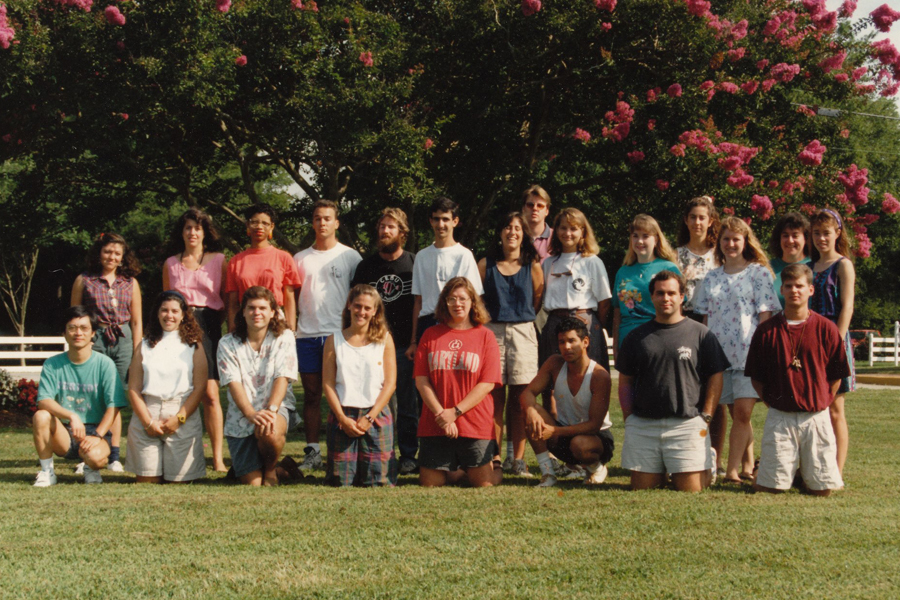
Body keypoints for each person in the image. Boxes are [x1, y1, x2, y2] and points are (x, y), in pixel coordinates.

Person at [617, 271, 729, 492]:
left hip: (687, 423)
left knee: (690, 489)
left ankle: (706, 466)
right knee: (643, 489)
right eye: (660, 293)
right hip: (645, 424)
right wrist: (629, 417)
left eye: (671, 293)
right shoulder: (636, 337)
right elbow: (625, 381)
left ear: (682, 297)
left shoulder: (702, 334)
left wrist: (705, 415)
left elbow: (715, 376)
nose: (665, 298)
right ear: (652, 296)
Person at [745, 264, 848, 495]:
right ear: (781, 289)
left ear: (811, 290)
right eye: (789, 286)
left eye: (800, 286)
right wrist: (774, 402)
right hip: (781, 416)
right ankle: (766, 470)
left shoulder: (826, 328)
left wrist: (822, 400)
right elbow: (757, 378)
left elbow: (836, 376)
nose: (794, 291)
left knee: (822, 491)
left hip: (816, 416)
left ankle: (803, 474)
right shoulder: (766, 331)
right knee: (769, 489)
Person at [693, 217, 780, 485]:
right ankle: (746, 465)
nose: (731, 244)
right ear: (719, 243)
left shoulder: (759, 273)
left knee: (742, 413)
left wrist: (762, 352)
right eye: (726, 239)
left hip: (748, 355)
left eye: (736, 239)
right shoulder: (711, 277)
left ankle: (730, 471)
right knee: (734, 413)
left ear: (745, 242)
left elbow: (765, 316)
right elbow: (705, 319)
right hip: (720, 357)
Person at [292, 199, 363, 473]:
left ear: (337, 223)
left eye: (327, 218)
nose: (322, 223)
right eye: (317, 218)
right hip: (307, 335)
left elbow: (359, 298)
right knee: (311, 395)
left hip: (340, 336)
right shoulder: (300, 259)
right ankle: (313, 452)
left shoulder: (350, 256)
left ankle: (343, 449)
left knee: (344, 394)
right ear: (313, 223)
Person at [414, 277, 502, 487]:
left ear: (473, 301)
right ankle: (457, 469)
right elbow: (421, 380)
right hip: (436, 422)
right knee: (430, 483)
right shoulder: (430, 334)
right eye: (451, 299)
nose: (457, 304)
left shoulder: (485, 336)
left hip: (473, 422)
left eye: (462, 298)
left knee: (484, 484)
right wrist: (441, 415)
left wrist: (455, 412)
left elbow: (487, 383)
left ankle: (496, 466)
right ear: (444, 303)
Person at [351, 207, 419, 475]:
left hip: (404, 345)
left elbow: (419, 304)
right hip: (372, 347)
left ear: (402, 232)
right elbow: (354, 307)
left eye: (391, 227)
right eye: (381, 226)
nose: (384, 231)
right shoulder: (365, 267)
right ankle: (380, 452)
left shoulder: (414, 263)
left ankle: (409, 455)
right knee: (374, 401)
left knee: (407, 403)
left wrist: (415, 340)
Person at [477, 212, 544, 477]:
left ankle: (517, 459)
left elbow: (537, 299)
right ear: (500, 233)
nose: (512, 232)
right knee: (493, 399)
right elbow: (477, 299)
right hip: (492, 332)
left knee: (520, 400)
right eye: (507, 227)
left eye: (517, 228)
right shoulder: (486, 264)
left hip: (523, 332)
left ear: (524, 234)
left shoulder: (533, 265)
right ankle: (494, 457)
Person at [31, 306, 128, 486]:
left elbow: (114, 405)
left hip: (95, 430)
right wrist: (71, 416)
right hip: (66, 432)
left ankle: (90, 468)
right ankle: (47, 472)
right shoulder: (53, 364)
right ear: (64, 333)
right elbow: (44, 400)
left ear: (92, 333)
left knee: (96, 458)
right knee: (41, 416)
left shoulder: (104, 364)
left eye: (84, 328)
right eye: (72, 328)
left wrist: (97, 435)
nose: (78, 333)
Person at [163, 208, 228, 472]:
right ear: (182, 232)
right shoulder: (170, 263)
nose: (193, 232)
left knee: (211, 394)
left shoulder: (219, 260)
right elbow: (165, 301)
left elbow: (226, 299)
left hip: (209, 326)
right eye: (188, 227)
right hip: (179, 327)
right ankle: (178, 453)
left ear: (205, 232)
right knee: (180, 392)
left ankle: (218, 458)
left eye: (198, 228)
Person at [71, 232, 143, 473]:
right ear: (99, 253)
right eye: (107, 251)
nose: (111, 257)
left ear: (123, 257)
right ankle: (86, 453)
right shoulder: (84, 280)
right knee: (92, 398)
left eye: (117, 253)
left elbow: (137, 322)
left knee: (116, 398)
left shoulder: (130, 282)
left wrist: (137, 355)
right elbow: (75, 318)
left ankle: (113, 456)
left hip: (122, 340)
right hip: (96, 339)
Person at [217, 287, 299, 486]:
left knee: (269, 430)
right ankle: (284, 468)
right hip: (241, 416)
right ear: (243, 312)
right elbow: (233, 383)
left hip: (274, 409)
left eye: (263, 308)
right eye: (251, 308)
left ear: (273, 312)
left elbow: (283, 376)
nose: (257, 313)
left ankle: (271, 471)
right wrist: (250, 414)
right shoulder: (227, 343)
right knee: (252, 483)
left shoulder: (284, 337)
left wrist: (271, 410)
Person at [519, 317, 613, 487]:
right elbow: (528, 393)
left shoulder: (599, 375)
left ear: (585, 342)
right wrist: (531, 412)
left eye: (572, 341)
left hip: (594, 440)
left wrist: (554, 431)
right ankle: (548, 473)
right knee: (529, 410)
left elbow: (594, 425)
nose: (566, 347)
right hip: (563, 434)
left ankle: (596, 467)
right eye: (562, 342)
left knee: (580, 443)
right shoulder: (554, 363)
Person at [125, 291, 208, 483]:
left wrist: (179, 419)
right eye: (164, 310)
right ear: (157, 313)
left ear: (183, 315)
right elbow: (134, 388)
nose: (169, 315)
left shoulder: (194, 345)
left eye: (174, 311)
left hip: (181, 413)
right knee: (148, 483)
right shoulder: (144, 345)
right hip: (148, 413)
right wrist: (147, 422)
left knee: (177, 482)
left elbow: (200, 388)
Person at [322, 284, 398, 486]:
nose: (361, 312)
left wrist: (370, 417)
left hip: (375, 415)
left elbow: (390, 384)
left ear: (375, 311)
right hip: (343, 416)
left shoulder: (384, 340)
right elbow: (328, 384)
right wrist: (341, 418)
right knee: (341, 481)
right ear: (349, 306)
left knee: (378, 481)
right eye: (357, 306)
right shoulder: (334, 340)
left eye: (367, 308)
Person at [675, 196, 724, 474]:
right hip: (683, 322)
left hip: (713, 325)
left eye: (702, 217)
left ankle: (715, 456)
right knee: (688, 388)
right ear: (686, 220)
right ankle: (685, 454)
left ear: (710, 221)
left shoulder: (720, 254)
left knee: (714, 390)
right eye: (692, 216)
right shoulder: (675, 254)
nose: (697, 222)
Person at [810, 208, 855, 475]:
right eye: (816, 233)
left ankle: (836, 470)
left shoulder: (843, 265)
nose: (821, 238)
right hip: (810, 340)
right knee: (815, 407)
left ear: (837, 233)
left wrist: (835, 344)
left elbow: (847, 307)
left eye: (826, 233)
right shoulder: (808, 267)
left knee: (835, 408)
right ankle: (816, 464)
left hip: (834, 338)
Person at [408, 196, 483, 358]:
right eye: (436, 219)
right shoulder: (421, 256)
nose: (440, 225)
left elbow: (474, 299)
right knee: (424, 378)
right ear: (431, 221)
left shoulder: (464, 255)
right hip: (427, 323)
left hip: (455, 322)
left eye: (445, 219)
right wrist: (414, 341)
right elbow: (418, 302)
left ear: (455, 221)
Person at [540, 207, 612, 372]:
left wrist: (592, 322)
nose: (568, 233)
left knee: (588, 375)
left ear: (582, 232)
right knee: (553, 377)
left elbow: (604, 301)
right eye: (563, 228)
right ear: (556, 230)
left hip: (584, 322)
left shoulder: (592, 261)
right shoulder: (548, 263)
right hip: (555, 323)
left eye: (573, 228)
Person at [224, 203, 301, 332]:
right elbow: (232, 304)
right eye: (254, 222)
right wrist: (232, 330)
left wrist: (291, 329)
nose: (259, 226)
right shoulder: (235, 262)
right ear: (247, 225)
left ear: (271, 227)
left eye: (265, 223)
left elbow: (289, 299)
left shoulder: (283, 258)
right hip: (245, 324)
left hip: (276, 323)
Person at [612, 214, 681, 357]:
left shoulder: (669, 268)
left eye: (645, 236)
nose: (640, 241)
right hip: (627, 340)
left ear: (655, 239)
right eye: (635, 236)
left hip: (658, 338)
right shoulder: (623, 271)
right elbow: (617, 313)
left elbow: (678, 309)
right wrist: (615, 346)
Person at [769, 211, 811, 309]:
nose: (790, 240)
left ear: (805, 239)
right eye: (785, 235)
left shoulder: (814, 267)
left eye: (795, 235)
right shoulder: (767, 269)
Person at [521, 185, 553, 262]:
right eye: (530, 205)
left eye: (540, 206)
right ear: (523, 209)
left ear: (547, 211)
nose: (535, 208)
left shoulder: (557, 238)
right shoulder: (515, 236)